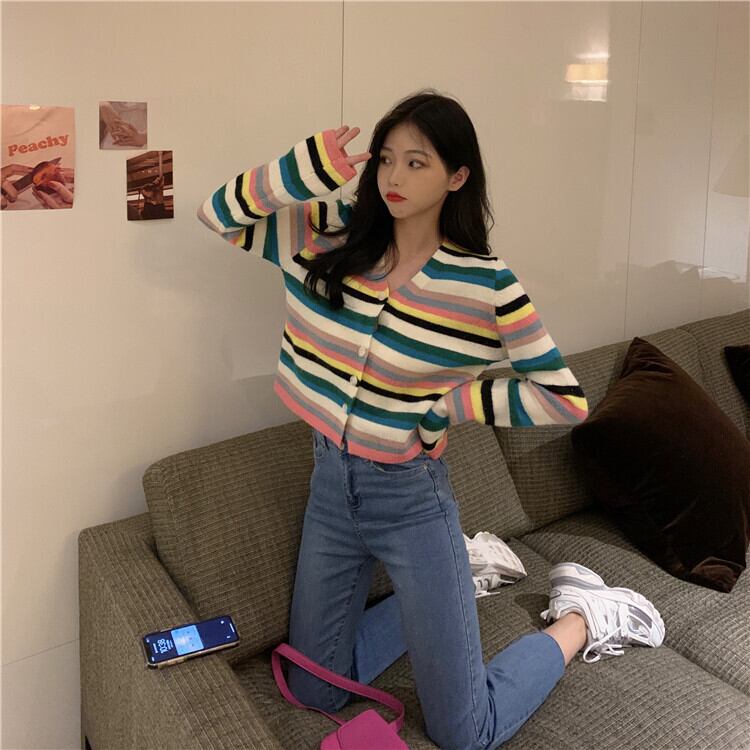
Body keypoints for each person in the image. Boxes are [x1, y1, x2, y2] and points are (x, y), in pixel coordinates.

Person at [197, 89, 665, 750]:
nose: (393, 176)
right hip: (330, 488)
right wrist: (306, 168)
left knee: (465, 733)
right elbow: (218, 214)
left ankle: (586, 617)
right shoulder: (330, 234)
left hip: (410, 502)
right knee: (313, 689)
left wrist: (453, 405)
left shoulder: (483, 285)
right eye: (386, 158)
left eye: (417, 163)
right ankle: (467, 572)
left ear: (457, 176)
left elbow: (563, 398)